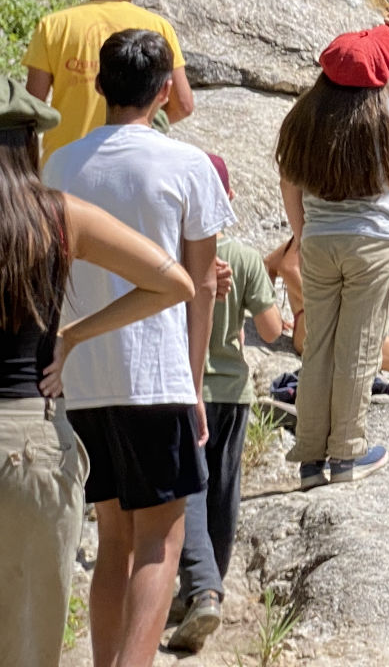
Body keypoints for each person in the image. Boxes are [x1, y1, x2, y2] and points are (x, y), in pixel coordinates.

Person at [42, 33, 229, 667]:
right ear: (162, 92)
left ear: (99, 86)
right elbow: (201, 282)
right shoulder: (187, 165)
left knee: (113, 540)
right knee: (162, 542)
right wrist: (195, 380)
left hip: (82, 377)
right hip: (156, 374)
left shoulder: (57, 166)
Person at [3, 77, 196, 667]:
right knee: (30, 643)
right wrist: (74, 335)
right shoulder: (57, 217)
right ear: (31, 143)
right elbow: (174, 282)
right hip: (28, 446)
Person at [279, 7, 389, 489]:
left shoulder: (302, 119)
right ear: (379, 77)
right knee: (358, 350)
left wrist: (304, 234)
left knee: (318, 348)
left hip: (317, 244)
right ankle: (349, 455)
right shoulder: (384, 117)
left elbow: (288, 182)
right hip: (373, 248)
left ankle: (311, 459)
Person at [170, 234, 286, 650]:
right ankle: (209, 586)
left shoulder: (175, 253)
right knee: (223, 493)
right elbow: (272, 331)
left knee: (190, 491)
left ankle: (202, 590)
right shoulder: (245, 259)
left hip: (189, 388)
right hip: (235, 394)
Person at [24, 0, 196, 163]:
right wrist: (149, 124)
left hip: (65, 168)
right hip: (132, 164)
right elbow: (183, 105)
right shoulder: (157, 27)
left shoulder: (53, 26)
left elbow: (30, 111)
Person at [263, 233, 389, 425]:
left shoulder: (320, 230)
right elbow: (287, 267)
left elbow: (269, 265)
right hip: (316, 327)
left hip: (334, 325)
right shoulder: (312, 229)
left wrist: (272, 311)